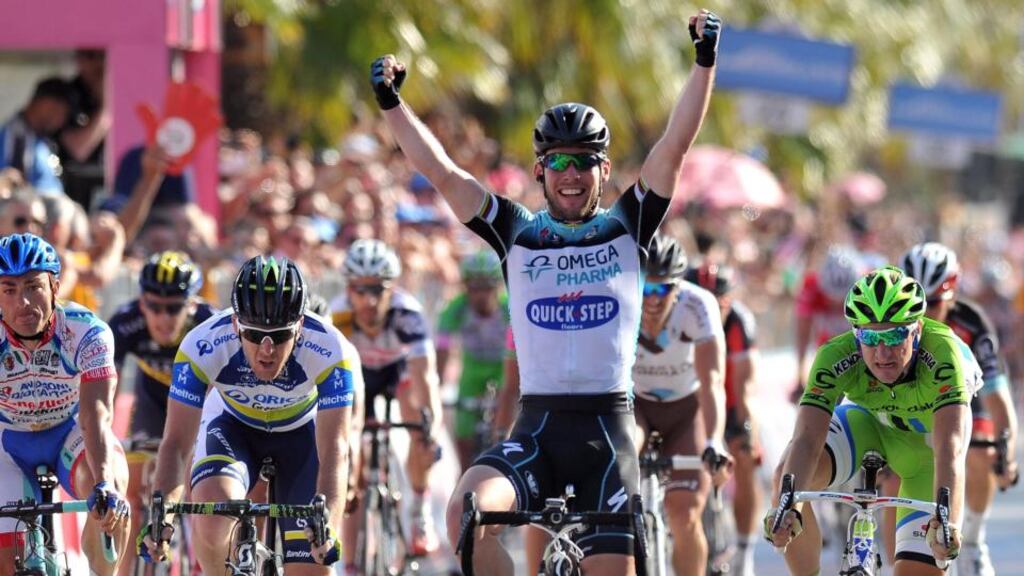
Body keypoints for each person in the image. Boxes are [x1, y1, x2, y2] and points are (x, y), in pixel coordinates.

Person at [371, 8, 720, 575]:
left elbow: (675, 144)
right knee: (467, 511)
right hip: (535, 429)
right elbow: (441, 172)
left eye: (584, 162)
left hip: (607, 436)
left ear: (604, 170)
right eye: (558, 161)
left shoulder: (628, 225)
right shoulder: (517, 233)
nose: (571, 173)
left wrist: (704, 61)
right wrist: (392, 103)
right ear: (539, 170)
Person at [144, 256, 358, 573]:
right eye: (254, 335)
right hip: (233, 427)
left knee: (314, 562)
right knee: (215, 517)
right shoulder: (202, 344)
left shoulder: (329, 348)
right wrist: (161, 517)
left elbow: (335, 449)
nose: (266, 350)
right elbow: (175, 443)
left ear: (299, 326)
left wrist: (328, 521)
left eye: (280, 335)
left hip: (301, 436)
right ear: (235, 324)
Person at [766, 266, 977, 575]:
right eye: (869, 337)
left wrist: (946, 522)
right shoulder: (835, 356)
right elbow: (807, 440)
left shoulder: (944, 354)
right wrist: (789, 507)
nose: (882, 352)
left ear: (917, 329)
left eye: (894, 335)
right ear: (855, 333)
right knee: (788, 480)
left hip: (926, 450)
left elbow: (950, 448)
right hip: (869, 424)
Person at [0, 233, 130, 575]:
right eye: (9, 290)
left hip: (69, 436)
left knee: (111, 500)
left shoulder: (86, 332)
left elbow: (96, 414)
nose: (23, 302)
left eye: (33, 286)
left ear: (55, 287)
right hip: (9, 447)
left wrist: (103, 481)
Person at [899, 243, 1018, 576]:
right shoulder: (895, 321)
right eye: (916, 301)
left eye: (933, 302)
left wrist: (1005, 451)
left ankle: (974, 540)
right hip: (912, 396)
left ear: (953, 291)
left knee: (980, 451)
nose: (923, 312)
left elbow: (998, 397)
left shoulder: (973, 322)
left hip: (965, 393)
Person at [329, 239, 443, 568]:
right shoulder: (338, 317)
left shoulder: (407, 315)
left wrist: (430, 425)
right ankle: (350, 563)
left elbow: (426, 377)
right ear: (348, 290)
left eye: (378, 289)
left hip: (397, 374)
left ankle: (419, 511)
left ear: (391, 289)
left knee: (419, 420)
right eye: (360, 290)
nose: (369, 300)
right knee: (352, 467)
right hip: (358, 377)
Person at [107, 250, 214, 575]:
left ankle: (200, 563)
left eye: (174, 308)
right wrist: (107, 438)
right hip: (152, 401)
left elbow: (223, 397)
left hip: (200, 404)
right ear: (142, 303)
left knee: (198, 487)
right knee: (131, 495)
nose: (163, 318)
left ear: (192, 304)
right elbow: (103, 391)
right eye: (154, 307)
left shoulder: (210, 324)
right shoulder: (126, 324)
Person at [632, 235, 730, 576]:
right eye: (644, 289)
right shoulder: (620, 302)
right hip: (637, 406)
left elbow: (713, 381)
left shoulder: (699, 305)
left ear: (678, 288)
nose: (651, 301)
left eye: (661, 291)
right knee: (624, 450)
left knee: (684, 512)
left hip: (686, 409)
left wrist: (714, 441)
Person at [686, 261, 762, 576]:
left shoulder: (740, 322)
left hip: (728, 400)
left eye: (719, 303)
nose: (711, 311)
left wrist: (746, 432)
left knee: (744, 458)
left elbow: (744, 388)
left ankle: (744, 550)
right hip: (689, 402)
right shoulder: (679, 315)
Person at [436, 249, 511, 470]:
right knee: (463, 432)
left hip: (503, 366)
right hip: (472, 368)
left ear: (498, 285)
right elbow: (443, 350)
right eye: (473, 287)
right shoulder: (455, 309)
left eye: (486, 286)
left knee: (505, 424)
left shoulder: (510, 308)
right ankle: (466, 473)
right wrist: (437, 386)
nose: (480, 294)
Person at [793, 244, 866, 400]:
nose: (837, 303)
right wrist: (800, 375)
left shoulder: (866, 287)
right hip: (828, 349)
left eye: (843, 298)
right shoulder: (811, 287)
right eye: (831, 297)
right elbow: (802, 334)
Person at [0, 77, 73, 196]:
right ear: (46, 103)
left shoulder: (42, 137)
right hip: (36, 206)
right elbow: (16, 187)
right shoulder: (17, 135)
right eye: (61, 112)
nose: (62, 119)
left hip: (53, 203)